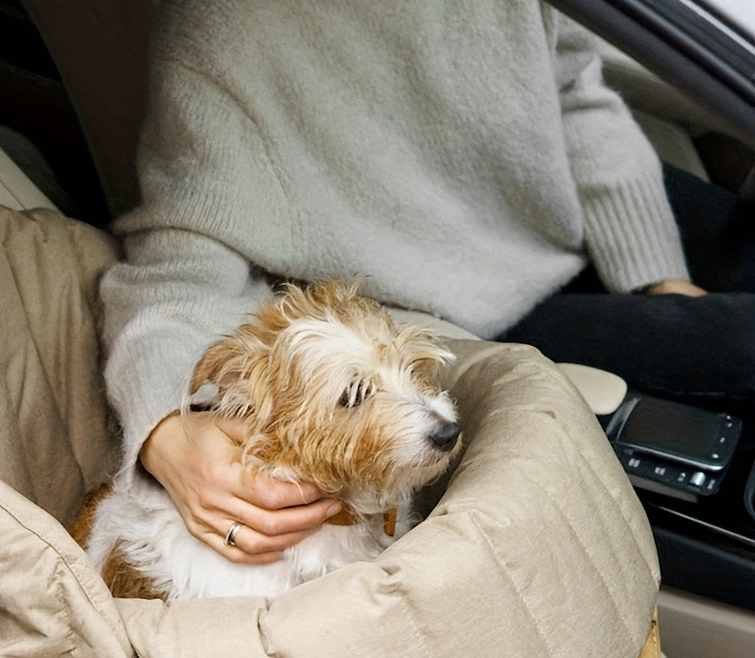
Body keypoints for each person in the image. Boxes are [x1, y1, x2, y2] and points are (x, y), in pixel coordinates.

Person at [99, 0, 755, 562]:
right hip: (449, 301)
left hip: (549, 214)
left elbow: (576, 95)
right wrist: (169, 431)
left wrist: (656, 274)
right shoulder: (223, 32)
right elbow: (172, 267)